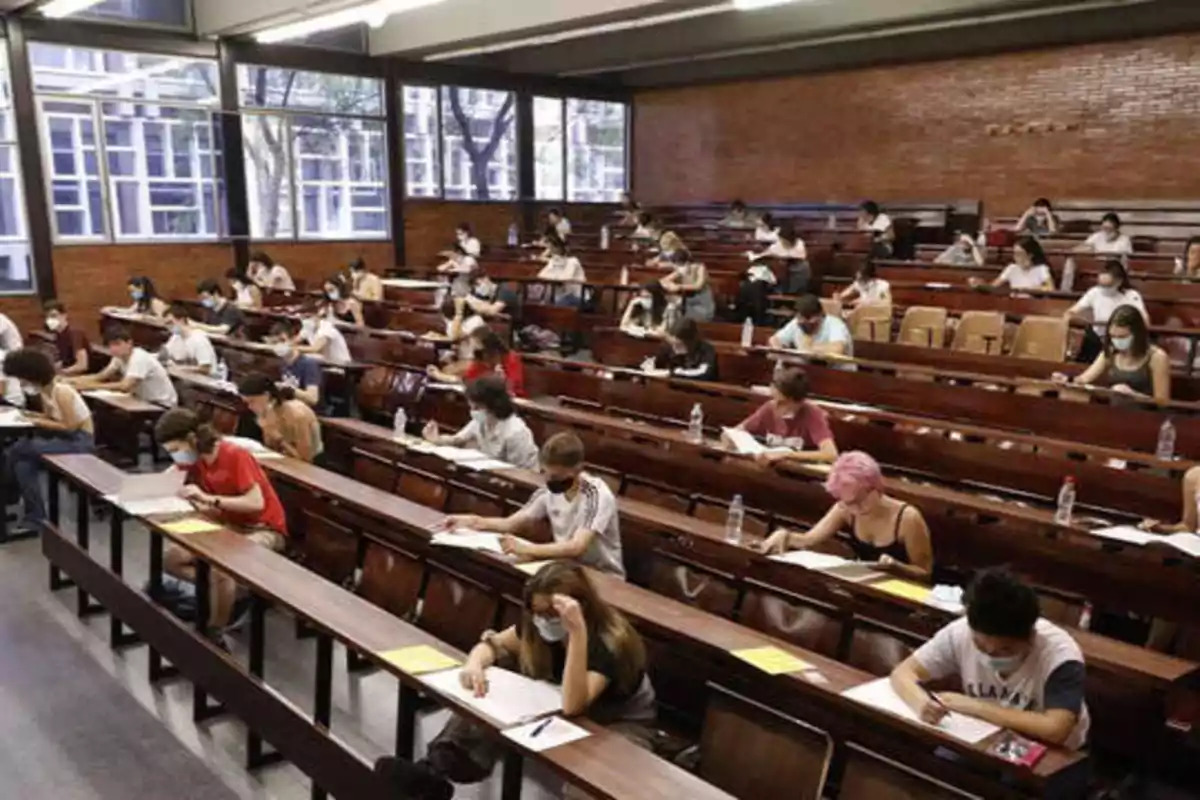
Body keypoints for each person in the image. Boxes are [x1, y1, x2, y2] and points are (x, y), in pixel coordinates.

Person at [374, 562, 655, 799]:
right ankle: (432, 773)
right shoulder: (537, 626)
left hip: (619, 722)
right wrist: (475, 664)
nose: (543, 621)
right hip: (559, 701)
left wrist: (577, 633)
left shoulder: (609, 642)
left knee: (590, 784)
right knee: (488, 695)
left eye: (550, 614)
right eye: (537, 613)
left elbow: (574, 705)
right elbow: (493, 646)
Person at [889, 567, 1089, 750]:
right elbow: (903, 672)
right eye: (981, 646)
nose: (990, 654)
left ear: (1031, 636)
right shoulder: (961, 632)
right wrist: (921, 702)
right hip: (985, 735)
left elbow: (1055, 729)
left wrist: (976, 707)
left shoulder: (1061, 655)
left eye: (1005, 650)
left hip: (1052, 751)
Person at [155, 408, 289, 637]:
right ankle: (233, 594)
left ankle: (215, 630)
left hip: (263, 528)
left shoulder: (235, 455)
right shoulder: (197, 460)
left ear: (191, 439)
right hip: (230, 523)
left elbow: (255, 503)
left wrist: (210, 500)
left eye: (176, 450)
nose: (176, 456)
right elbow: (170, 479)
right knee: (172, 559)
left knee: (220, 568)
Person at [445, 433, 625, 577]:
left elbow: (577, 546)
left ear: (577, 470)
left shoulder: (597, 494)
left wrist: (529, 549)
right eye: (545, 473)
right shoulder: (548, 491)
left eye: (555, 477)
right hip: (566, 568)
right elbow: (512, 523)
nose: (548, 480)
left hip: (602, 574)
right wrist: (473, 521)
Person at [760, 451, 933, 581]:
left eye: (860, 501)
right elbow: (809, 539)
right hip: (864, 585)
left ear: (875, 487)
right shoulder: (845, 508)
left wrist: (897, 567)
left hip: (901, 591)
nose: (855, 509)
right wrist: (785, 536)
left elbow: (925, 573)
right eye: (848, 503)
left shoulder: (908, 518)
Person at [2, 348, 94, 534]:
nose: (21, 383)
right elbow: (50, 416)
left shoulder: (62, 391)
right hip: (61, 438)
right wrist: (27, 414)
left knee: (18, 449)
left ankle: (8, 494)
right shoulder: (45, 390)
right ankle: (36, 517)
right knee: (22, 465)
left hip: (79, 441)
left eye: (22, 378)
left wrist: (35, 420)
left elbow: (70, 426)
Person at [1052, 304, 1170, 402]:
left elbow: (1162, 402)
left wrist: (1133, 395)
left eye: (1123, 336)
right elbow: (1083, 380)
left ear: (1137, 334)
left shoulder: (1157, 357)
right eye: (1113, 336)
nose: (1117, 341)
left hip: (1145, 418)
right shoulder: (1110, 352)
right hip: (1113, 414)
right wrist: (1066, 380)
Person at [422, 376, 539, 469]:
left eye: (477, 408)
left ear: (494, 405)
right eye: (472, 407)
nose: (473, 412)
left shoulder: (516, 432)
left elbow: (520, 469)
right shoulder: (479, 422)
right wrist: (437, 439)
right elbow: (457, 440)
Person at [727, 368, 838, 465]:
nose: (775, 406)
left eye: (782, 402)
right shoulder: (770, 407)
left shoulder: (812, 413)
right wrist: (730, 437)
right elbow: (737, 431)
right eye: (774, 398)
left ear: (798, 402)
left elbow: (830, 454)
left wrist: (787, 454)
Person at [1063, 259, 1146, 362]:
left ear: (1119, 281)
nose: (1103, 289)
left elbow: (1145, 321)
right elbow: (1070, 312)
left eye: (1108, 286)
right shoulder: (1094, 292)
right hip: (1097, 340)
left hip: (1121, 341)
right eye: (1101, 285)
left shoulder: (1132, 295)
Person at [73, 326, 177, 406]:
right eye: (110, 345)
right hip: (142, 400)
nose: (113, 349)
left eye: (117, 344)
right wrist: (70, 380)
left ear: (129, 343)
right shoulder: (118, 357)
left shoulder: (139, 357)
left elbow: (125, 386)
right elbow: (100, 376)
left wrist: (90, 386)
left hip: (160, 404)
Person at [237, 373, 322, 463]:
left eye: (252, 401)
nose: (250, 407)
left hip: (310, 466)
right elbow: (270, 448)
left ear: (267, 395)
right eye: (247, 403)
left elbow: (305, 459)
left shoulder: (297, 414)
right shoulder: (266, 412)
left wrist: (277, 437)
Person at [769, 294, 854, 358]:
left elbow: (838, 349)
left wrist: (810, 348)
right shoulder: (796, 323)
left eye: (808, 318)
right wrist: (777, 347)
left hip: (840, 375)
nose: (804, 322)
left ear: (820, 314)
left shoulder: (835, 324)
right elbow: (775, 339)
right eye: (800, 318)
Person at [267, 322, 322, 407]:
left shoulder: (309, 364)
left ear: (293, 340)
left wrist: (289, 389)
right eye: (275, 343)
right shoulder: (283, 364)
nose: (279, 345)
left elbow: (313, 399)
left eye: (282, 340)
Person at [649, 317, 719, 382]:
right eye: (672, 343)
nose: (674, 348)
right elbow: (657, 367)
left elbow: (705, 373)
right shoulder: (667, 347)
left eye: (678, 344)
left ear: (690, 341)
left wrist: (677, 372)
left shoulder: (706, 349)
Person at [972, 236, 1053, 292]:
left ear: (1030, 255)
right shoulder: (1012, 268)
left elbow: (1050, 288)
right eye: (1014, 253)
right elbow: (993, 287)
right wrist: (980, 284)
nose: (1015, 257)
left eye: (1019, 254)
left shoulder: (1042, 269)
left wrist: (1032, 289)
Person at [661, 249, 715, 322]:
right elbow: (663, 280)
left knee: (677, 310)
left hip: (703, 305)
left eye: (680, 265)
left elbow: (698, 286)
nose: (678, 268)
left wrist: (678, 286)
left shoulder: (699, 268)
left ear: (687, 262)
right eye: (676, 266)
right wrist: (669, 284)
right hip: (689, 302)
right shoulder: (680, 270)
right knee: (670, 307)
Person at [163, 303, 217, 376]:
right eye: (166, 324)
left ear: (181, 320)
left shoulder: (198, 339)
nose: (168, 327)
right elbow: (164, 354)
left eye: (170, 323)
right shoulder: (175, 337)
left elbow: (205, 368)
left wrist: (180, 368)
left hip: (204, 381)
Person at [433, 296, 488, 364]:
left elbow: (456, 336)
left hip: (474, 359)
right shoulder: (452, 321)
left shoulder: (475, 320)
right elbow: (452, 340)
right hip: (459, 355)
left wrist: (458, 314)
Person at [295, 300, 353, 365]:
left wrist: (293, 348)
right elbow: (294, 341)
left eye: (308, 317)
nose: (306, 320)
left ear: (317, 315)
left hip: (340, 364)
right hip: (325, 362)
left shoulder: (326, 328)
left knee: (303, 358)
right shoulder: (308, 328)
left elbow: (315, 348)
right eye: (303, 318)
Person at [536, 235, 586, 307]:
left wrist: (552, 276)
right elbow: (541, 275)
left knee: (558, 304)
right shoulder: (553, 261)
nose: (554, 251)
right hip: (560, 295)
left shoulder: (573, 261)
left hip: (576, 296)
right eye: (551, 248)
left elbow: (565, 278)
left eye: (555, 247)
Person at [43, 300, 90, 376]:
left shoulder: (75, 333)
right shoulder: (58, 335)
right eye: (47, 317)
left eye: (53, 315)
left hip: (83, 377)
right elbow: (65, 361)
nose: (50, 320)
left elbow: (82, 365)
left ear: (64, 315)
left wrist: (61, 372)